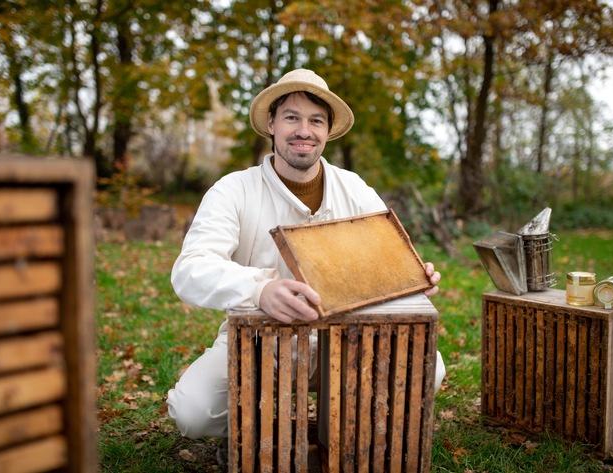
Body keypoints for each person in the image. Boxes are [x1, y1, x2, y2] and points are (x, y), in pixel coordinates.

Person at [166, 69, 446, 443]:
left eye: (316, 120)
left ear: (327, 131)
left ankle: (349, 426)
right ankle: (253, 436)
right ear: (271, 123)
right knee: (194, 414)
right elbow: (190, 269)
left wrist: (411, 279)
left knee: (432, 368)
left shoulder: (354, 188)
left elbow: (389, 256)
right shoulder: (233, 190)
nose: (304, 130)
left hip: (350, 339)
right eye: (291, 117)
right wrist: (260, 290)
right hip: (260, 340)